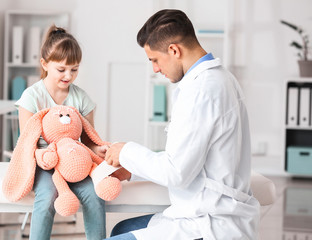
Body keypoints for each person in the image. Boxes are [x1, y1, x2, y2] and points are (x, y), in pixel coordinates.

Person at [105, 9, 260, 240]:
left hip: (210, 223)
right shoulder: (219, 78)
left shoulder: (202, 91)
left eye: (154, 60)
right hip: (205, 211)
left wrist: (125, 151)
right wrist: (132, 170)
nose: (155, 69)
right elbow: (188, 158)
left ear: (174, 50)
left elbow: (177, 172)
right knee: (121, 230)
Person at [15, 25, 107, 240]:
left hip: (73, 162)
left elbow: (87, 140)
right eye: (62, 69)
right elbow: (27, 143)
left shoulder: (82, 99)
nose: (69, 75)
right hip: (43, 164)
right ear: (45, 64)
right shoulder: (32, 97)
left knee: (95, 195)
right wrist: (47, 158)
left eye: (74, 69)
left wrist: (98, 148)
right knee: (47, 196)